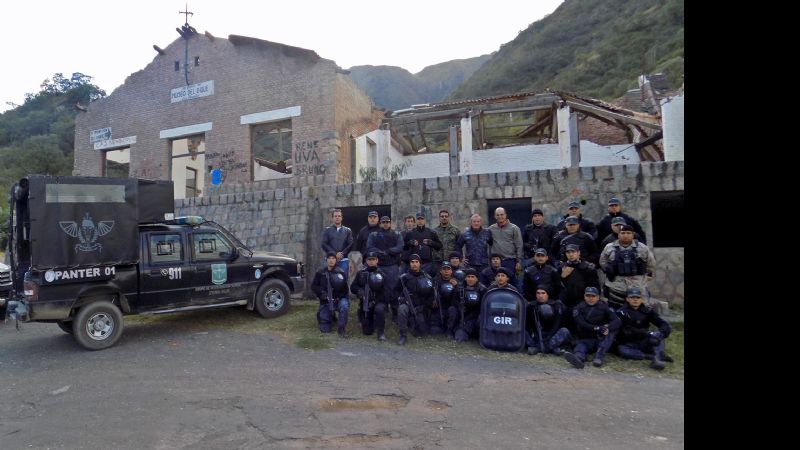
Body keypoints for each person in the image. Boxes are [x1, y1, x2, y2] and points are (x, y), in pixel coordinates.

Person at [599, 225, 656, 310]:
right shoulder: (609, 247)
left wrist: (645, 276)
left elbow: (651, 263)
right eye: (623, 233)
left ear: (633, 234)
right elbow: (602, 262)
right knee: (615, 310)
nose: (625, 235)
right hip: (616, 286)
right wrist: (610, 270)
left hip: (637, 285)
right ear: (618, 235)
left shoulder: (643, 248)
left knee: (641, 309)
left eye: (628, 233)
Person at [615, 288, 673, 370]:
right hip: (629, 343)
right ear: (627, 299)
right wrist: (647, 333)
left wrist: (661, 333)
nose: (635, 300)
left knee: (657, 336)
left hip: (644, 342)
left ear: (641, 299)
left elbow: (663, 323)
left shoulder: (647, 311)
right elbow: (626, 330)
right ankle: (654, 356)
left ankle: (657, 357)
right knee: (622, 350)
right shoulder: (621, 312)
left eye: (638, 297)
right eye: (632, 297)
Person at [563, 287, 621, 369]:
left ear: (598, 297)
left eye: (593, 296)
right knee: (580, 348)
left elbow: (617, 321)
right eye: (588, 296)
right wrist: (597, 328)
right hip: (585, 339)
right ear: (584, 296)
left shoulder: (604, 307)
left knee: (610, 332)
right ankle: (578, 360)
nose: (590, 298)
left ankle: (598, 358)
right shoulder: (578, 308)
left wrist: (607, 327)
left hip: (600, 340)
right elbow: (582, 323)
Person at [366, 215, 403, 322]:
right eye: (383, 222)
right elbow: (369, 247)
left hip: (392, 266)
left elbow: (400, 247)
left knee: (394, 290)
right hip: (379, 266)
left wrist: (388, 251)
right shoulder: (374, 235)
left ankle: (395, 312)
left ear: (390, 223)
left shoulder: (397, 234)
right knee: (379, 289)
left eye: (387, 222)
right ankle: (382, 310)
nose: (385, 224)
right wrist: (380, 252)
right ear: (380, 223)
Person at [396, 254, 436, 345]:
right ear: (409, 264)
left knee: (422, 331)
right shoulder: (403, 278)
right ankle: (403, 335)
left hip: (421, 307)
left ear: (420, 263)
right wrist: (402, 300)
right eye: (412, 262)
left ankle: (413, 323)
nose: (414, 264)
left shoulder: (427, 278)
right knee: (402, 309)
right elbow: (396, 292)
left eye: (416, 262)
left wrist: (423, 307)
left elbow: (431, 296)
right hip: (407, 304)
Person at [350, 251, 389, 341]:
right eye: (369, 259)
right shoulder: (361, 273)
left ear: (377, 260)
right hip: (365, 303)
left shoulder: (382, 274)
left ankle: (381, 332)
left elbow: (387, 293)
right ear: (366, 261)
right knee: (367, 332)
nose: (371, 261)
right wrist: (359, 291)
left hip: (378, 302)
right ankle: (372, 322)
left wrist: (375, 301)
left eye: (373, 259)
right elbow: (353, 287)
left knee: (379, 309)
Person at [311, 252, 350, 336]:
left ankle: (341, 328)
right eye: (329, 258)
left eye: (333, 258)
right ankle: (325, 315)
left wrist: (337, 297)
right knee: (325, 329)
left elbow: (345, 290)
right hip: (326, 301)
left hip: (338, 300)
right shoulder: (320, 272)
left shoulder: (341, 272)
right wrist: (321, 292)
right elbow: (313, 286)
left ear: (336, 260)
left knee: (344, 305)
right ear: (326, 260)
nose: (331, 260)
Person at [525, 287, 571, 356]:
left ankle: (538, 348)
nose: (540, 296)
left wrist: (549, 337)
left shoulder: (555, 305)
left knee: (564, 331)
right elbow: (527, 324)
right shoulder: (531, 306)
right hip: (537, 335)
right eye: (538, 293)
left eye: (543, 293)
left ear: (548, 294)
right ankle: (551, 349)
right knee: (522, 332)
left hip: (551, 335)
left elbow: (557, 325)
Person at [454, 268, 487, 342]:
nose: (470, 279)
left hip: (475, 316)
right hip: (462, 314)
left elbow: (482, 307)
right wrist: (459, 306)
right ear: (465, 278)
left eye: (472, 277)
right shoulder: (460, 288)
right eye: (468, 277)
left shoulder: (482, 289)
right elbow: (454, 301)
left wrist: (469, 317)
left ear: (477, 279)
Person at [403, 212, 442, 277]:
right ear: (416, 221)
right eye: (418, 219)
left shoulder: (431, 232)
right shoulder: (410, 233)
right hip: (414, 264)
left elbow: (439, 246)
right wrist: (410, 243)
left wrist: (431, 243)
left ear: (425, 220)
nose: (420, 221)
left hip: (427, 264)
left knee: (426, 281)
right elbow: (404, 247)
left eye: (422, 219)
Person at [488, 207, 524, 276]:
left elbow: (519, 246)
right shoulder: (490, 229)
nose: (500, 217)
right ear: (495, 216)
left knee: (511, 281)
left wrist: (518, 261)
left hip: (510, 261)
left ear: (505, 215)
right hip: (496, 262)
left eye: (502, 214)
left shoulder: (514, 228)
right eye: (497, 215)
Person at [320, 209, 353, 278]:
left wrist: (342, 254)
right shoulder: (327, 230)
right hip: (330, 260)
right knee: (328, 279)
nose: (337, 217)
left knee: (343, 279)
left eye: (339, 216)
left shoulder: (348, 230)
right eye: (335, 216)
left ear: (342, 218)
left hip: (343, 260)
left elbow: (350, 244)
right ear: (332, 218)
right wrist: (334, 254)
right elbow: (324, 244)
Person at [431, 261, 461, 336]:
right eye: (444, 269)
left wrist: (456, 287)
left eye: (448, 269)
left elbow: (460, 297)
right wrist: (433, 300)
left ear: (451, 271)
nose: (446, 271)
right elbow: (431, 294)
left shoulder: (456, 282)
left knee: (452, 310)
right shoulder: (435, 281)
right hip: (439, 308)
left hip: (451, 308)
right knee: (434, 330)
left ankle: (449, 330)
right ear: (440, 271)